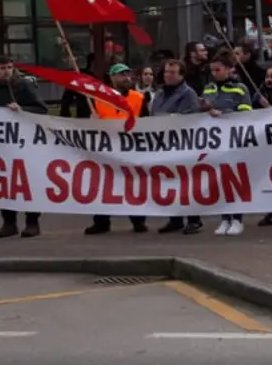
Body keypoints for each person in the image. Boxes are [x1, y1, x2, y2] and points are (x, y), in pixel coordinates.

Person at [84, 63, 149, 236]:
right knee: (104, 185)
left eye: (128, 74)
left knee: (132, 184)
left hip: (130, 147)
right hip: (107, 148)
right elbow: (89, 125)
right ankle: (101, 222)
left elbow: (148, 122)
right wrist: (93, 120)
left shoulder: (138, 98)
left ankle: (138, 221)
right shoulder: (99, 99)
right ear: (112, 78)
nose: (126, 78)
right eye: (121, 75)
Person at [200, 51, 254, 236]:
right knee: (219, 181)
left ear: (229, 70)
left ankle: (238, 219)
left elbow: (247, 112)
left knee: (234, 180)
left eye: (218, 69)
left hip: (233, 141)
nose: (214, 73)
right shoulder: (208, 88)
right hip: (214, 142)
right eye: (212, 70)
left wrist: (224, 114)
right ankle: (224, 218)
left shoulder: (240, 88)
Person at [150, 59, 204, 234]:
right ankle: (175, 218)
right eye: (166, 72)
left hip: (182, 144)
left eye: (172, 72)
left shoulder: (188, 94)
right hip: (163, 144)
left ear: (181, 75)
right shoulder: (159, 94)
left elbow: (192, 116)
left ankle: (194, 220)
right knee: (170, 183)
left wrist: (171, 118)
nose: (168, 75)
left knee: (187, 184)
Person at [0, 58, 46, 238]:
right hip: (3, 149)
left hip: (25, 147)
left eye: (10, 68)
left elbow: (42, 110)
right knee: (4, 185)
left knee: (27, 185)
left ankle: (32, 222)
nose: (7, 71)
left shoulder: (23, 87)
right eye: (2, 68)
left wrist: (22, 109)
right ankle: (9, 222)